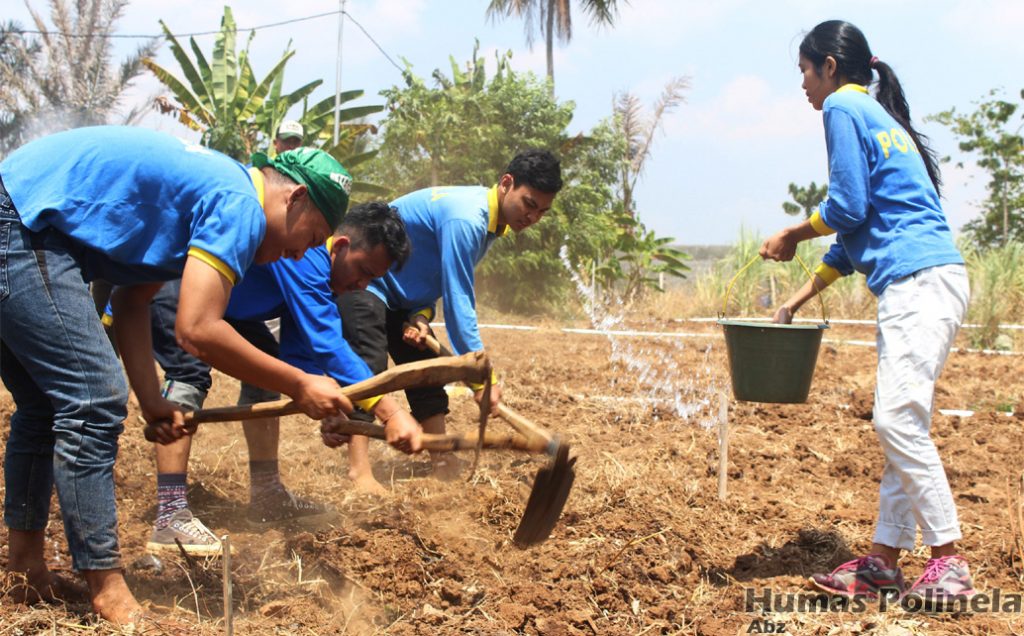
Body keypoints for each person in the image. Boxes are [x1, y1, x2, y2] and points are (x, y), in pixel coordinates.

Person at [0, 127, 415, 628]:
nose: (299, 253)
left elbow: (133, 299)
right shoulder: (240, 202)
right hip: (20, 222)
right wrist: (301, 385)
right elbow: (196, 329)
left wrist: (152, 399)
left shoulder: (215, 196)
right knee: (94, 396)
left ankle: (25, 568)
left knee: (46, 405)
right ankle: (106, 587)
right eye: (309, 237)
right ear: (296, 197)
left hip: (20, 217)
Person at [759, 21, 972, 608]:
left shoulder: (843, 109)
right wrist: (796, 301)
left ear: (829, 66)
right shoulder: (879, 115)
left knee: (895, 423)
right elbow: (851, 238)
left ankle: (949, 561)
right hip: (933, 279)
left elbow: (846, 207)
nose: (802, 83)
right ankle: (882, 562)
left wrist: (791, 233)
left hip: (917, 284)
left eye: (804, 70)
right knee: (903, 424)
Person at [139, 201, 422, 555]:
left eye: (371, 280)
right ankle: (169, 516)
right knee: (189, 374)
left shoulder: (326, 277)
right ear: (342, 246)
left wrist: (333, 410)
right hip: (177, 287)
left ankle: (267, 493)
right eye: (362, 271)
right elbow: (329, 343)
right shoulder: (309, 257)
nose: (361, 285)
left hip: (230, 308)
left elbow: (297, 357)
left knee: (269, 373)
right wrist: (391, 412)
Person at [339, 149, 563, 480]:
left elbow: (431, 276)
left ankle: (441, 461)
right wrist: (482, 378)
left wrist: (421, 315)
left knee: (427, 373)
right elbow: (459, 304)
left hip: (401, 303)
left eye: (541, 211)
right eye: (529, 204)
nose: (532, 217)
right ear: (506, 183)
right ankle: (360, 472)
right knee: (368, 369)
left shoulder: (490, 224)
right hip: (367, 282)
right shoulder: (467, 218)